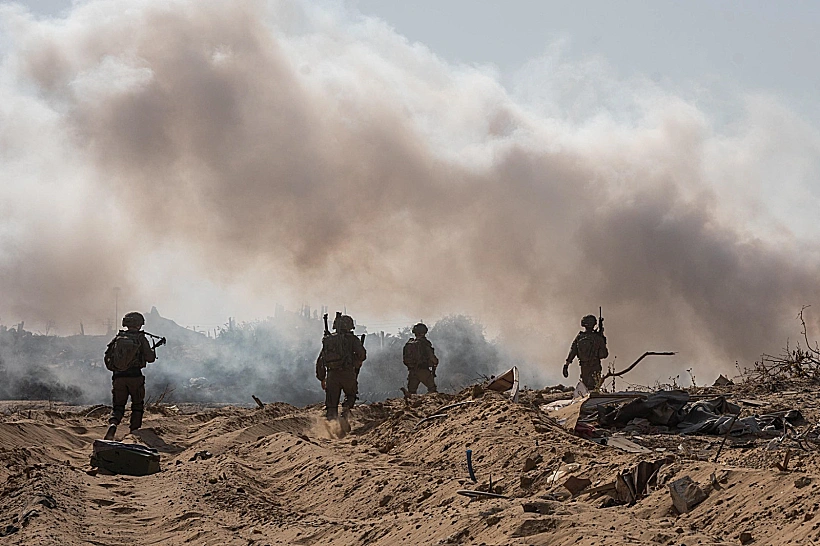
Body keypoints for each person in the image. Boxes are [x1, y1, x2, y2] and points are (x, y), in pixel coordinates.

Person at [103, 312, 157, 440]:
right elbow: (150, 359)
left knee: (118, 406)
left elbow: (108, 356)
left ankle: (113, 424)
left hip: (118, 377)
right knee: (137, 405)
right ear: (139, 324)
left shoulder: (118, 338)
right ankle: (134, 433)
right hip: (135, 377)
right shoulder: (141, 338)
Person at [315, 314, 366, 419]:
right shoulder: (352, 339)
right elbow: (362, 355)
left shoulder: (329, 340)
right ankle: (345, 413)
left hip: (332, 375)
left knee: (331, 404)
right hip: (348, 373)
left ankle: (331, 428)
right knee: (351, 395)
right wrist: (357, 361)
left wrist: (322, 378)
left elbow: (320, 360)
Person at [563, 314, 608, 391]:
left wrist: (566, 365)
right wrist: (602, 337)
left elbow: (573, 351)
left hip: (584, 366)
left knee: (586, 385)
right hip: (595, 365)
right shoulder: (597, 338)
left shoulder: (580, 337)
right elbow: (605, 354)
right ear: (594, 324)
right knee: (594, 387)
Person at [402, 322, 439, 394]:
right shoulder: (424, 343)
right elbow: (431, 357)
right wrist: (435, 362)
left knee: (411, 392)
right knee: (432, 390)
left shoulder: (410, 343)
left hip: (412, 371)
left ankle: (410, 404)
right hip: (423, 370)